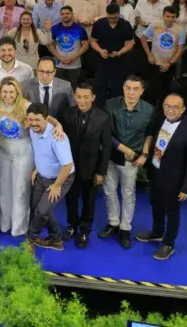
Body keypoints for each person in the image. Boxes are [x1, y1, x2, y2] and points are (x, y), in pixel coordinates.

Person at [135, 93, 187, 261]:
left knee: (172, 211)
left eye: (175, 107)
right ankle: (157, 232)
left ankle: (169, 242)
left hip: (175, 179)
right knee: (156, 204)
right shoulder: (159, 119)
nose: (170, 110)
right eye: (167, 106)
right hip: (156, 172)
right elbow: (151, 136)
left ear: (183, 109)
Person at [100, 75, 155, 250]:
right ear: (123, 88)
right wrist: (125, 149)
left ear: (141, 91)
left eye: (135, 89)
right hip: (111, 155)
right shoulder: (110, 105)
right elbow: (105, 132)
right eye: (128, 88)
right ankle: (113, 222)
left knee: (128, 193)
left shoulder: (149, 110)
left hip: (133, 159)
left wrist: (144, 154)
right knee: (109, 190)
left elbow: (149, 133)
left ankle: (125, 228)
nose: (131, 92)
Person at [60, 84, 112, 249]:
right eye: (79, 97)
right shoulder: (67, 114)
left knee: (89, 201)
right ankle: (72, 225)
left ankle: (84, 229)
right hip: (71, 168)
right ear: (74, 96)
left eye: (86, 97)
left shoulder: (103, 118)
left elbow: (107, 147)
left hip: (92, 168)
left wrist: (101, 171)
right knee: (71, 199)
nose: (82, 100)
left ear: (93, 97)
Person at [25, 102, 75, 251]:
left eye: (37, 120)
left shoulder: (58, 138)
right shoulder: (33, 129)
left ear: (46, 119)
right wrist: (37, 168)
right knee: (38, 208)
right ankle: (56, 240)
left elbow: (67, 165)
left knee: (41, 211)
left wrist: (57, 185)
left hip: (61, 178)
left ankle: (29, 241)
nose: (33, 123)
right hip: (42, 175)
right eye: (30, 120)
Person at [0, 77, 32, 237]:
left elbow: (45, 120)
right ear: (0, 92)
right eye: (5, 92)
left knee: (20, 189)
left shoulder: (27, 106)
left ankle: (19, 227)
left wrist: (58, 126)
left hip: (23, 149)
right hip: (2, 148)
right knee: (3, 188)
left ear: (17, 92)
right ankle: (4, 223)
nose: (8, 95)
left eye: (11, 92)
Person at [139, 6, 187, 106]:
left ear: (176, 17)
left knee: (165, 92)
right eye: (167, 16)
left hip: (169, 66)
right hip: (155, 63)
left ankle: (162, 114)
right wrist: (149, 55)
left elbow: (180, 49)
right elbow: (143, 38)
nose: (170, 19)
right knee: (152, 90)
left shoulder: (181, 30)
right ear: (163, 16)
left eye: (173, 17)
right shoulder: (155, 25)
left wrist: (169, 64)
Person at [89, 3, 135, 105]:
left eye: (114, 18)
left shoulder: (126, 25)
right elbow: (92, 41)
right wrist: (100, 50)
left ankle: (116, 107)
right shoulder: (99, 23)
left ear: (119, 13)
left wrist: (119, 52)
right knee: (101, 85)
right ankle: (100, 107)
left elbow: (130, 43)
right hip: (102, 59)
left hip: (119, 60)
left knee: (117, 86)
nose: (112, 20)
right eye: (110, 18)